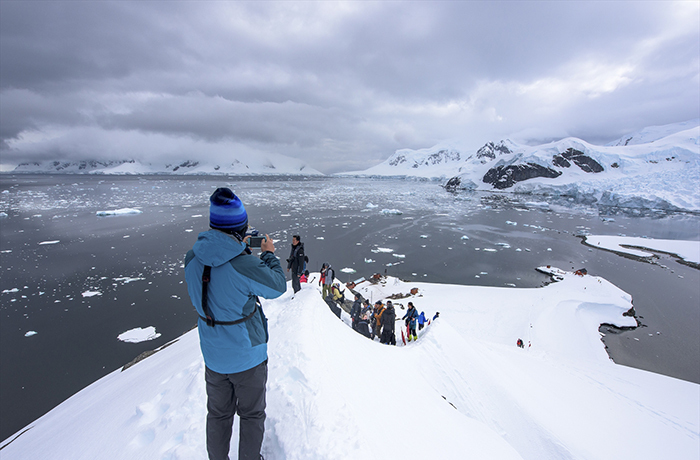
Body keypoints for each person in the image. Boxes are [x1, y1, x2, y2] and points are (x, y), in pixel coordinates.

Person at [184, 187, 286, 460]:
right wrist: (267, 255)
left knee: (218, 414)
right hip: (246, 355)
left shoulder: (192, 258)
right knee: (252, 414)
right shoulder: (244, 264)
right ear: (239, 229)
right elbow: (277, 287)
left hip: (213, 354)